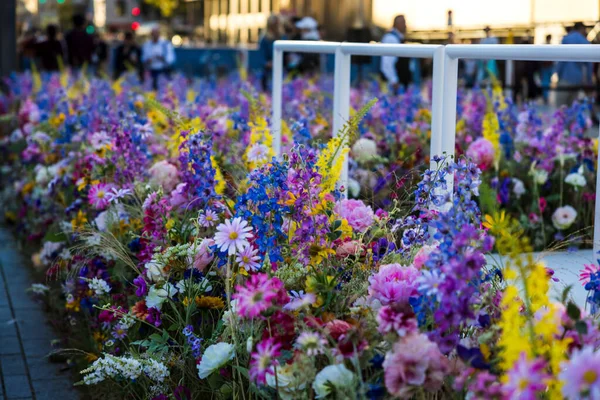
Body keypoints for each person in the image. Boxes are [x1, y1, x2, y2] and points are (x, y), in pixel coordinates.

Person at [556, 22, 592, 106]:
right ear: (582, 29)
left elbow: (561, 59)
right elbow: (589, 65)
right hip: (577, 79)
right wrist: (588, 80)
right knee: (573, 108)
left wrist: (558, 73)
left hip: (564, 78)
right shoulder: (585, 42)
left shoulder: (566, 39)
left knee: (561, 107)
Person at [380, 15, 411, 91]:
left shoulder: (399, 37)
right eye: (403, 22)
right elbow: (387, 62)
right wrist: (394, 80)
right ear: (397, 24)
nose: (405, 25)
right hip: (393, 85)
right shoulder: (391, 38)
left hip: (399, 83)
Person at [258, 15, 283, 91]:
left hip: (281, 68)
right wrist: (267, 63)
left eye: (276, 24)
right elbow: (261, 55)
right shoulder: (265, 39)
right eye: (273, 24)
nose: (275, 26)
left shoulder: (282, 37)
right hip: (268, 70)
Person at [540, 34, 554, 104]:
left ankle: (546, 96)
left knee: (547, 82)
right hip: (545, 67)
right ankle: (545, 97)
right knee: (545, 83)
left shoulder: (550, 46)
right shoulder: (545, 46)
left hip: (548, 67)